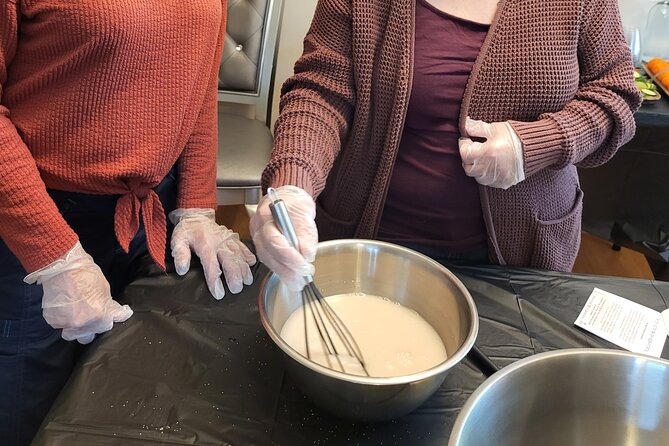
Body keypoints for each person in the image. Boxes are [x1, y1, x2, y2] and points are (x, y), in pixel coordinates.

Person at [250, 0, 641, 290]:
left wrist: (540, 144)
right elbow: (321, 90)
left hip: (518, 261)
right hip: (368, 246)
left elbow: (616, 93)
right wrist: (293, 183)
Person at [0, 1, 256, 444]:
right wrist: (54, 255)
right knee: (28, 408)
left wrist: (196, 205)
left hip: (150, 218)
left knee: (124, 402)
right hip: (34, 223)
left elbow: (196, 86)